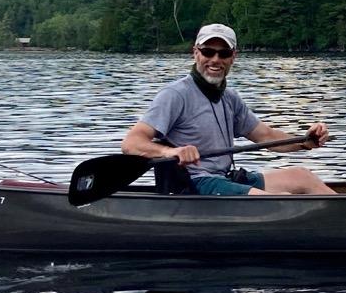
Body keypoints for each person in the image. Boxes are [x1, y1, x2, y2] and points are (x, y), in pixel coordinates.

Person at [121, 23, 334, 195]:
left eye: (223, 53)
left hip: (224, 178)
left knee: (302, 176)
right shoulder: (175, 95)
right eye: (208, 51)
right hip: (196, 184)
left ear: (233, 57)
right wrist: (172, 151)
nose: (215, 59)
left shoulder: (230, 98)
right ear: (195, 53)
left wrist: (305, 142)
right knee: (280, 201)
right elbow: (132, 143)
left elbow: (266, 136)